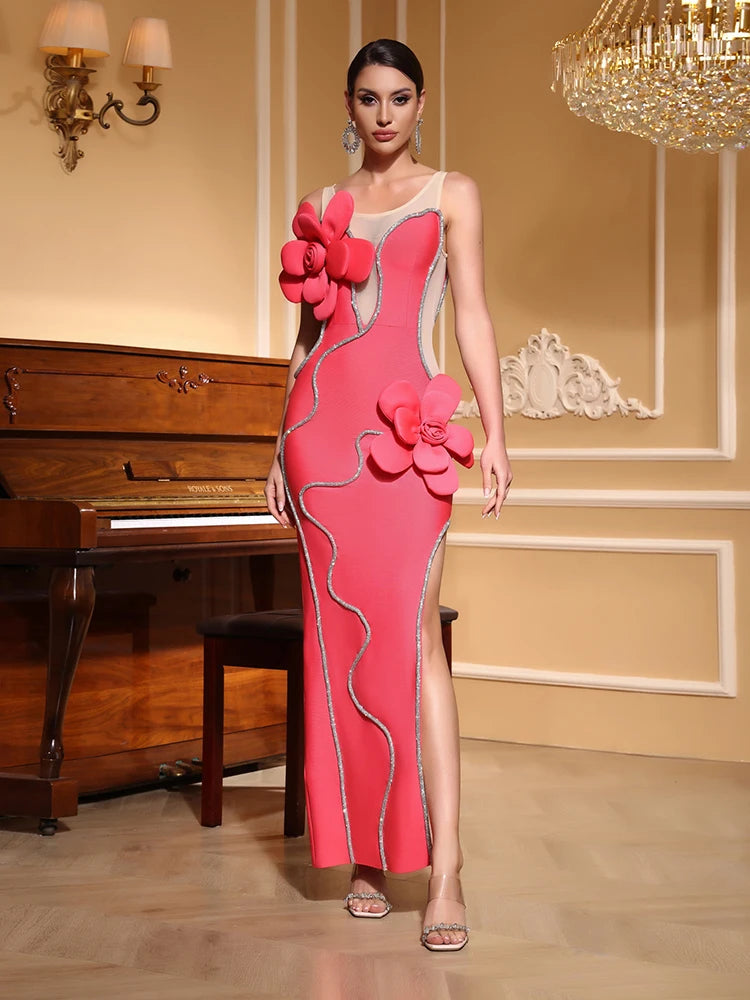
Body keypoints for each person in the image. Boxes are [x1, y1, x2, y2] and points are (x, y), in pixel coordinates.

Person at [264, 38, 511, 952]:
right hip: (320, 444)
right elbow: (306, 337)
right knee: (338, 652)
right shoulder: (321, 206)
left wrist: (496, 429)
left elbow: (474, 312)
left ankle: (444, 867)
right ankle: (367, 854)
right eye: (367, 98)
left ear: (418, 104)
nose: (382, 115)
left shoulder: (454, 194)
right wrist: (274, 444)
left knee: (414, 647)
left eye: (399, 98)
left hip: (409, 444)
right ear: (348, 101)